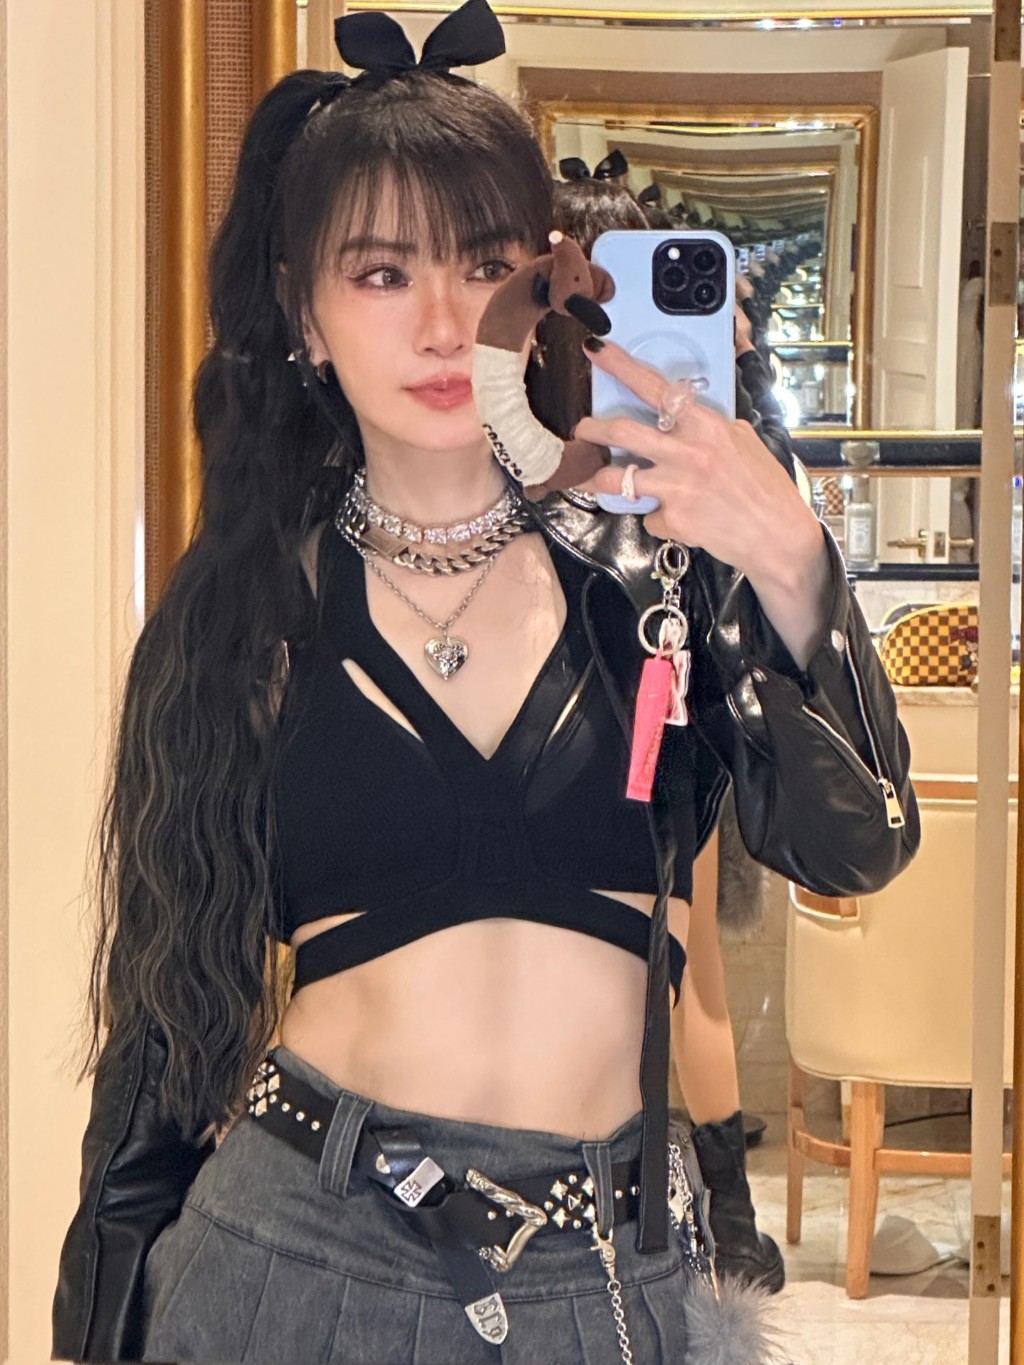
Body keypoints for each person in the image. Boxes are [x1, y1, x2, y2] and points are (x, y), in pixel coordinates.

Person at [53, 4, 918, 1362]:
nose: (446, 322)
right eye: (382, 273)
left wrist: (789, 554)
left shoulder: (656, 578)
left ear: (547, 290)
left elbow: (853, 846)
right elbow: (167, 1031)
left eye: (487, 265)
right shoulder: (246, 614)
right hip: (299, 1265)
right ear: (304, 313)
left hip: (607, 1282)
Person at [534, 174, 788, 1294]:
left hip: (621, 699)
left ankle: (696, 1215)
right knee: (686, 971)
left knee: (635, 965)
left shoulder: (538, 428)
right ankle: (726, 1224)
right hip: (665, 694)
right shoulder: (632, 420)